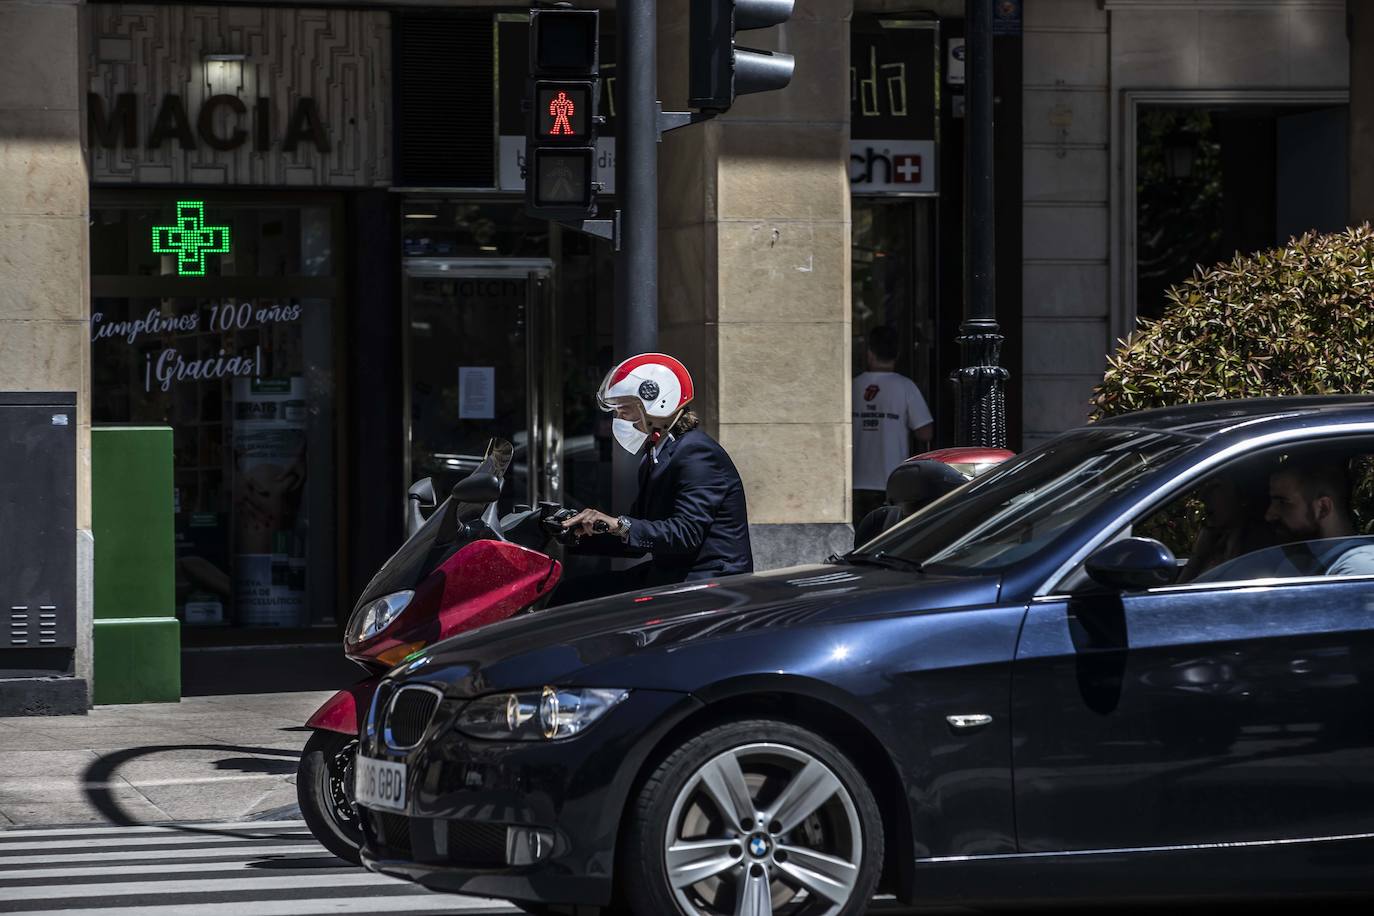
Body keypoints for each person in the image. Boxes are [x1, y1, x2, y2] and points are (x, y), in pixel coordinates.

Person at [557, 353, 753, 601]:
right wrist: (574, 534)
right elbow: (639, 533)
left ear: (656, 402)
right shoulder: (657, 453)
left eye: (624, 410)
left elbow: (686, 532)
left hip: (707, 584)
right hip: (673, 575)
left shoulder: (696, 453)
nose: (618, 419)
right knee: (570, 593)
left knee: (577, 601)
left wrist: (619, 524)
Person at [851, 326, 933, 525]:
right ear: (897, 354)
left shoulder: (852, 386)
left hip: (854, 480)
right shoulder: (905, 387)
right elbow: (925, 433)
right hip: (891, 481)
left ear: (869, 353)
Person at [1265, 456, 1374, 576]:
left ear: (1323, 508)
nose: (1269, 515)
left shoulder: (1357, 569)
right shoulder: (1295, 565)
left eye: (1283, 502)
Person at [1176, 470, 1277, 583]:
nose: (1202, 496)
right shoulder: (1217, 539)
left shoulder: (1260, 551)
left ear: (1243, 493)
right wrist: (1198, 555)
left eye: (1215, 486)